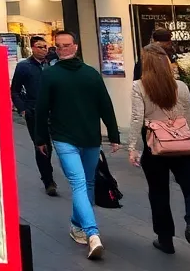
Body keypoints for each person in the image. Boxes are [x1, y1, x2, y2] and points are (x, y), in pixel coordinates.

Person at [34, 29, 120, 260]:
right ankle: (88, 231)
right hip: (77, 138)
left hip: (75, 138)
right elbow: (105, 105)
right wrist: (113, 134)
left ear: (75, 46)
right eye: (58, 46)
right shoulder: (88, 74)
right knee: (83, 183)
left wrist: (40, 138)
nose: (62, 49)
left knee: (84, 183)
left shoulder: (53, 75)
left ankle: (82, 227)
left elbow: (104, 104)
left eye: (66, 45)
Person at [130, 43, 190, 263]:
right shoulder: (181, 86)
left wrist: (133, 148)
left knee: (158, 192)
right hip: (183, 144)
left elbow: (137, 118)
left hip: (155, 146)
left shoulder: (139, 86)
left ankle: (165, 240)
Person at [11, 35, 57, 195]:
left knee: (56, 145)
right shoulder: (24, 66)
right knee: (42, 146)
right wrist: (23, 109)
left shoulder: (51, 66)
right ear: (32, 48)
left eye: (45, 47)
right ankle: (48, 180)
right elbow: (15, 90)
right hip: (34, 112)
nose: (43, 50)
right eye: (40, 47)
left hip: (54, 111)